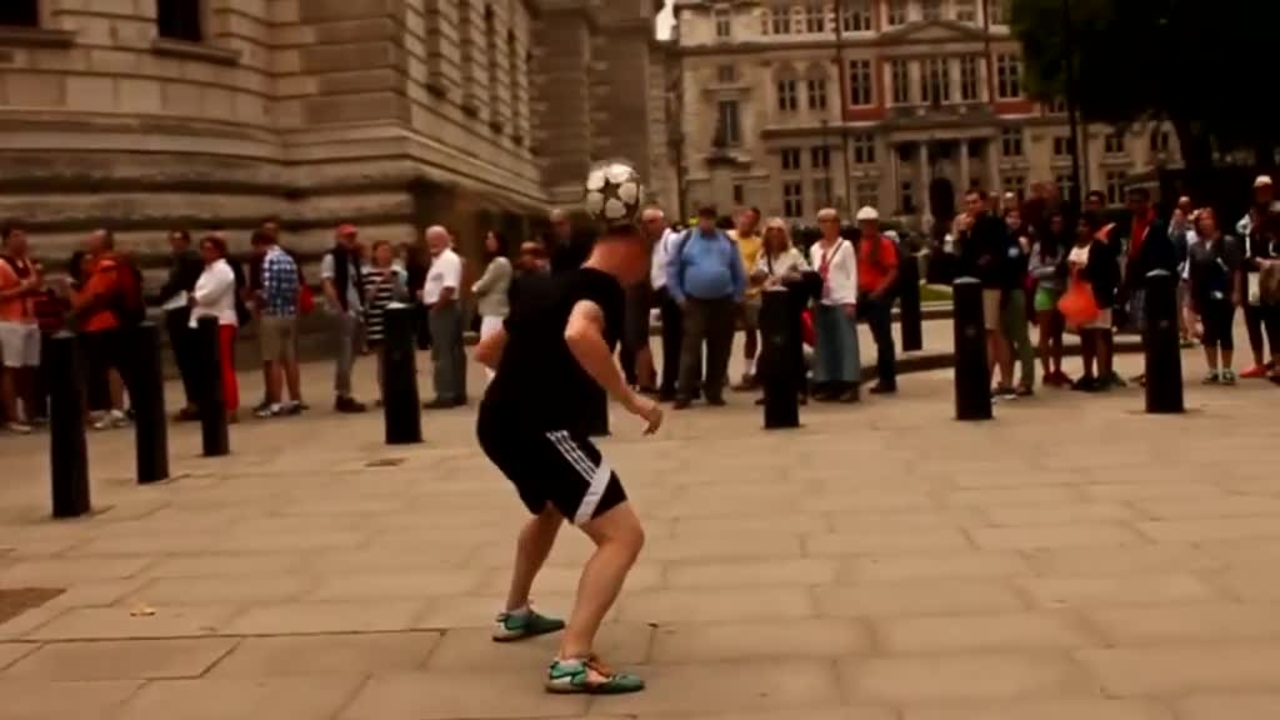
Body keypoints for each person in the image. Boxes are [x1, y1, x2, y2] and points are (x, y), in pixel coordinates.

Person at [474, 178, 659, 695]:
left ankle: (515, 613)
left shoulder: (542, 285)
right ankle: (572, 660)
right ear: (632, 247)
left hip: (496, 423)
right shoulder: (602, 290)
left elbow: (486, 352)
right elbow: (580, 333)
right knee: (623, 536)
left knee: (551, 508)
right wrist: (632, 399)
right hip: (545, 427)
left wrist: (528, 380)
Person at [666, 206, 746, 409]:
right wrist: (678, 296)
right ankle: (684, 393)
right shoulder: (686, 239)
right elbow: (673, 268)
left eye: (710, 219)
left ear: (715, 220)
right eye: (704, 218)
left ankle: (714, 391)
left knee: (720, 349)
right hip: (694, 301)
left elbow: (737, 269)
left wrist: (738, 296)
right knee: (690, 349)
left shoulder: (727, 240)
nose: (707, 222)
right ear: (698, 219)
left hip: (724, 300)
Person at [71, 229, 133, 430]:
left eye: (93, 239)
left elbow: (94, 296)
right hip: (100, 321)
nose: (89, 242)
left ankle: (117, 410)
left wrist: (74, 302)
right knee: (106, 367)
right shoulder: (102, 264)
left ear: (103, 243)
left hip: (104, 321)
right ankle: (110, 408)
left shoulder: (106, 265)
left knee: (110, 366)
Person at [958, 190, 1013, 398]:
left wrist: (967, 236)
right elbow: (965, 257)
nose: (971, 206)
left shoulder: (991, 224)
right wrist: (964, 233)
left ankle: (985, 383)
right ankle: (1006, 382)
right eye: (968, 203)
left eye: (974, 202)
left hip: (990, 283)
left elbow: (987, 255)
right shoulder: (974, 226)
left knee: (989, 333)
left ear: (984, 203)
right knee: (996, 332)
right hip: (981, 284)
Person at [752, 217, 811, 404]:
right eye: (771, 230)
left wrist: (791, 277)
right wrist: (759, 277)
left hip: (789, 307)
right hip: (769, 306)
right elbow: (756, 276)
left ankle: (799, 389)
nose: (775, 234)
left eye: (779, 230)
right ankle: (771, 390)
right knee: (769, 350)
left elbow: (807, 275)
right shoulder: (763, 255)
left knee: (793, 348)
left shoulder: (793, 254)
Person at [1120, 187, 1175, 384]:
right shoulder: (1133, 223)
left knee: (1151, 328)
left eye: (1138, 201)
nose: (1134, 205)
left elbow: (1165, 254)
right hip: (1136, 281)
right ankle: (1149, 367)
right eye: (1131, 201)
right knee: (1143, 329)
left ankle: (1155, 369)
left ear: (1146, 203)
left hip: (1151, 283)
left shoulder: (1156, 225)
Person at [1186, 208, 1243, 385]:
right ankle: (1212, 369)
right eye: (1201, 220)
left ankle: (1227, 369)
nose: (1205, 223)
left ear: (1215, 221)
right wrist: (1191, 297)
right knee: (1209, 331)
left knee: (1225, 330)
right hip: (1204, 294)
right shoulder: (1195, 247)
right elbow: (1193, 274)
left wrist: (1237, 291)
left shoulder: (1228, 242)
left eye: (1208, 219)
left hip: (1224, 291)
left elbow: (1236, 269)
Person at [810, 207, 861, 402]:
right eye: (824, 221)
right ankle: (828, 382)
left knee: (845, 342)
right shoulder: (815, 248)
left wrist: (851, 300)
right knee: (825, 343)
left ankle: (849, 383)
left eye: (832, 221)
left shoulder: (845, 246)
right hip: (822, 300)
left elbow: (852, 274)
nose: (828, 225)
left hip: (841, 299)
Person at [253, 229, 304, 418]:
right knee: (290, 359)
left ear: (259, 243)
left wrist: (258, 297)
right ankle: (295, 399)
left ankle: (275, 403)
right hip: (289, 313)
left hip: (273, 313)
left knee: (273, 360)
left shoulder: (269, 260)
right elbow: (297, 288)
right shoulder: (289, 259)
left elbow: (269, 290)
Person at [190, 235, 240, 423]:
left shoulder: (223, 270)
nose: (206, 252)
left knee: (224, 366)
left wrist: (195, 297)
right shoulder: (207, 270)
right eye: (203, 248)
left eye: (210, 248)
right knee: (213, 368)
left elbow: (209, 295)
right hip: (207, 321)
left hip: (221, 321)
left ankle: (230, 406)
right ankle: (218, 404)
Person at [1067, 214, 1120, 392]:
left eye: (1085, 225)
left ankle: (1103, 374)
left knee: (1099, 333)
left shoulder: (1100, 246)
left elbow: (1104, 271)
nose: (1081, 229)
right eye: (1079, 225)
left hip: (1098, 295)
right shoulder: (1075, 246)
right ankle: (1088, 374)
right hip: (1080, 294)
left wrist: (1081, 271)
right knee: (1085, 336)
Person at [321, 223, 367, 413]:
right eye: (347, 236)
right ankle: (343, 395)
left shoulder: (353, 259)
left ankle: (344, 391)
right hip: (344, 311)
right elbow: (327, 283)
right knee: (345, 354)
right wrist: (339, 308)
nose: (351, 239)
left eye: (353, 236)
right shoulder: (332, 257)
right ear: (338, 238)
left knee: (352, 353)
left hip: (356, 310)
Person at [0, 224, 41, 433]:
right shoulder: (1, 264)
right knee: (11, 368)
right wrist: (24, 288)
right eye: (16, 236)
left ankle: (30, 413)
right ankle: (13, 417)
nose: (22, 240)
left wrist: (36, 283)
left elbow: (34, 288)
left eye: (23, 235)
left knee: (29, 369)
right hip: (10, 321)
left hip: (30, 320)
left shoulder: (27, 262)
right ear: (6, 239)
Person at [854, 206, 899, 395]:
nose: (867, 227)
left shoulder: (884, 244)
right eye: (864, 224)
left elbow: (893, 270)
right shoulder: (860, 243)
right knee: (879, 337)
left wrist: (879, 291)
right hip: (865, 294)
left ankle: (887, 379)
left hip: (877, 296)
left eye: (870, 223)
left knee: (883, 338)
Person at [619, 208, 664, 393]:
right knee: (635, 338)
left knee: (636, 337)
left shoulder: (646, 243)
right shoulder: (639, 242)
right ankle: (645, 378)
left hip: (638, 290)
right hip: (633, 290)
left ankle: (646, 380)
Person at [422, 225, 466, 408]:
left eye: (433, 240)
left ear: (443, 239)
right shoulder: (442, 259)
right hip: (446, 307)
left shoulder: (448, 259)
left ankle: (445, 394)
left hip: (444, 308)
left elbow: (448, 287)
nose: (430, 244)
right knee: (453, 351)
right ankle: (456, 391)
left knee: (442, 352)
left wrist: (436, 308)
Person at [362, 240, 408, 401]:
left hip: (396, 320)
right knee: (382, 359)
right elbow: (367, 298)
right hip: (377, 320)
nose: (385, 254)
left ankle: (399, 391)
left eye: (388, 250)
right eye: (382, 251)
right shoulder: (367, 274)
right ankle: (385, 394)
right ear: (375, 254)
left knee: (398, 358)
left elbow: (404, 295)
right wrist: (381, 281)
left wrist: (395, 281)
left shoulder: (399, 272)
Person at [1239, 177, 1276, 378]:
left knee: (1274, 316)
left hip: (1274, 273)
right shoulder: (1251, 215)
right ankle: (1258, 362)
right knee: (1253, 316)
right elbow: (1244, 242)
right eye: (1260, 190)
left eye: (1266, 189)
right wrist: (1256, 261)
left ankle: (1277, 360)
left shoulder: (1277, 211)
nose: (1263, 193)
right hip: (1254, 275)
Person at [1029, 213, 1070, 387]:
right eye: (1054, 222)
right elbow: (1033, 271)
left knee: (1058, 334)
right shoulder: (1039, 246)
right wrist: (1054, 270)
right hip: (1045, 290)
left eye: (1060, 222)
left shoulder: (1065, 245)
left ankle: (1058, 369)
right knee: (1045, 334)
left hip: (1062, 291)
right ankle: (1046, 372)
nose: (1057, 225)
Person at [1002, 208, 1036, 396]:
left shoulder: (1022, 241)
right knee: (1005, 338)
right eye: (1010, 217)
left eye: (1017, 217)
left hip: (1016, 290)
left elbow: (1023, 266)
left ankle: (1027, 380)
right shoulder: (1001, 239)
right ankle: (1007, 379)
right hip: (1002, 292)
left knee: (1021, 337)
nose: (1013, 220)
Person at [730, 207, 764, 389]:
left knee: (751, 332)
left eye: (752, 220)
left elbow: (760, 265)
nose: (747, 222)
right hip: (728, 293)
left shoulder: (759, 243)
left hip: (751, 293)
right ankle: (720, 372)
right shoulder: (728, 237)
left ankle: (748, 370)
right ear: (737, 218)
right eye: (744, 218)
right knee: (724, 334)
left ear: (756, 223)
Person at [472, 230, 513, 381]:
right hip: (494, 311)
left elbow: (483, 285)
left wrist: (474, 287)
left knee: (489, 352)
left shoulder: (499, 263)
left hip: (494, 312)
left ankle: (494, 386)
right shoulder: (499, 262)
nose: (488, 242)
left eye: (491, 239)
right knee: (494, 352)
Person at [650, 222, 684, 402]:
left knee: (673, 342)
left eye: (651, 222)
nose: (647, 227)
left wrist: (674, 291)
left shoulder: (672, 240)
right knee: (672, 342)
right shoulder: (657, 243)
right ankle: (675, 384)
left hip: (671, 293)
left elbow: (678, 265)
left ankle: (671, 386)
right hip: (664, 294)